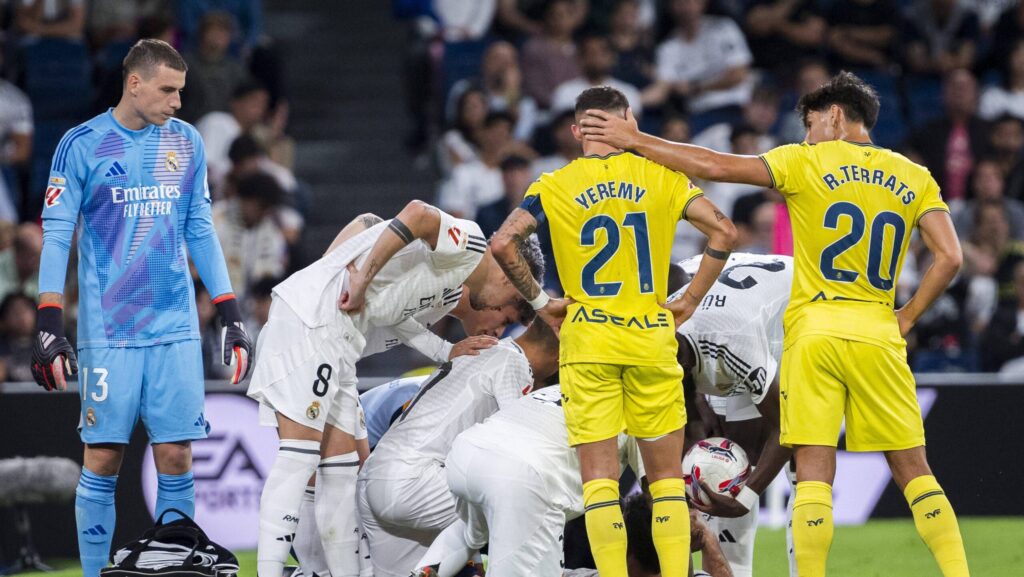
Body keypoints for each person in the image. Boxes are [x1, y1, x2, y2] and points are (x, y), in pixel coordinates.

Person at [579, 71, 969, 577]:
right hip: (877, 331)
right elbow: (950, 258)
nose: (806, 135)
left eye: (810, 124)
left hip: (814, 334)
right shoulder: (915, 176)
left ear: (833, 117)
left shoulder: (803, 160)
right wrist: (907, 316)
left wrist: (635, 141)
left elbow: (714, 165)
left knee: (812, 475)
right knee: (915, 472)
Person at [491, 86, 738, 577]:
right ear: (627, 119)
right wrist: (688, 299)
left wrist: (542, 303)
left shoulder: (553, 184)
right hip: (650, 335)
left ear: (576, 130)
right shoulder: (661, 174)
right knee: (666, 482)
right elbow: (725, 231)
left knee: (600, 485)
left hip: (587, 341)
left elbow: (503, 244)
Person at [31, 39, 253, 577]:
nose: (178, 102)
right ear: (135, 84)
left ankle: (172, 569)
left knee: (176, 455)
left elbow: (199, 227)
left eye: (181, 91)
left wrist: (229, 312)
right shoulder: (80, 144)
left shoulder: (187, 142)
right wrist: (48, 321)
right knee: (104, 458)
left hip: (175, 326)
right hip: (109, 331)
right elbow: (57, 236)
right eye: (168, 90)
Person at [247, 200, 544, 577]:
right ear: (508, 277)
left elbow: (396, 310)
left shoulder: (446, 295)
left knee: (342, 472)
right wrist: (354, 276)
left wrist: (444, 350)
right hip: (315, 323)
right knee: (299, 460)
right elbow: (408, 214)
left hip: (342, 344)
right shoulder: (470, 243)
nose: (499, 331)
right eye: (506, 316)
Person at [359, 318, 561, 577]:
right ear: (560, 356)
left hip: (377, 477)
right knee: (519, 495)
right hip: (413, 484)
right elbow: (519, 451)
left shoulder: (481, 349)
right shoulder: (514, 363)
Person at [413, 383, 642, 577]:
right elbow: (658, 499)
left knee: (471, 533)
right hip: (524, 478)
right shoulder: (645, 409)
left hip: (468, 453)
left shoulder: (571, 382)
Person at [670, 254, 794, 577]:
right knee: (719, 452)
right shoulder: (657, 328)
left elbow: (788, 426)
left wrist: (747, 496)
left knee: (800, 464)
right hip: (730, 296)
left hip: (792, 319)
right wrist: (697, 401)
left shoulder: (732, 343)